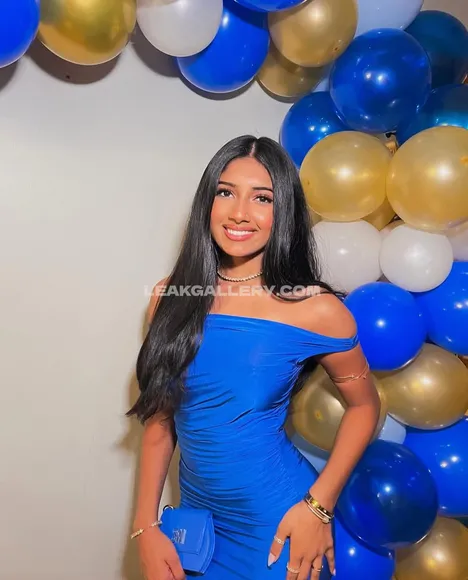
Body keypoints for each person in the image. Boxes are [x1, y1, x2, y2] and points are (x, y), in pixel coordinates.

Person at [127, 135, 381, 580]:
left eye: (262, 198)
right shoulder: (170, 297)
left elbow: (366, 407)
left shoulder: (315, 309)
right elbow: (160, 421)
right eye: (226, 192)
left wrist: (318, 506)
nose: (240, 213)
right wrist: (145, 527)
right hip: (197, 526)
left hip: (278, 526)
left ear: (284, 212)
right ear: (207, 202)